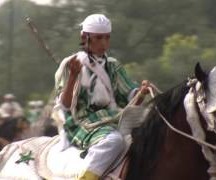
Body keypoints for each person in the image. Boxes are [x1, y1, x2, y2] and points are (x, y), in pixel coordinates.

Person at [54, 14, 150, 180]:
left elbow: (130, 96)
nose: (104, 43)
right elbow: (66, 105)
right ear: (85, 37)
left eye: (107, 38)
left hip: (113, 119)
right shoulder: (71, 64)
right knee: (114, 141)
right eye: (99, 38)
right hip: (82, 122)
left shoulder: (113, 65)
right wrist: (73, 77)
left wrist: (141, 92)